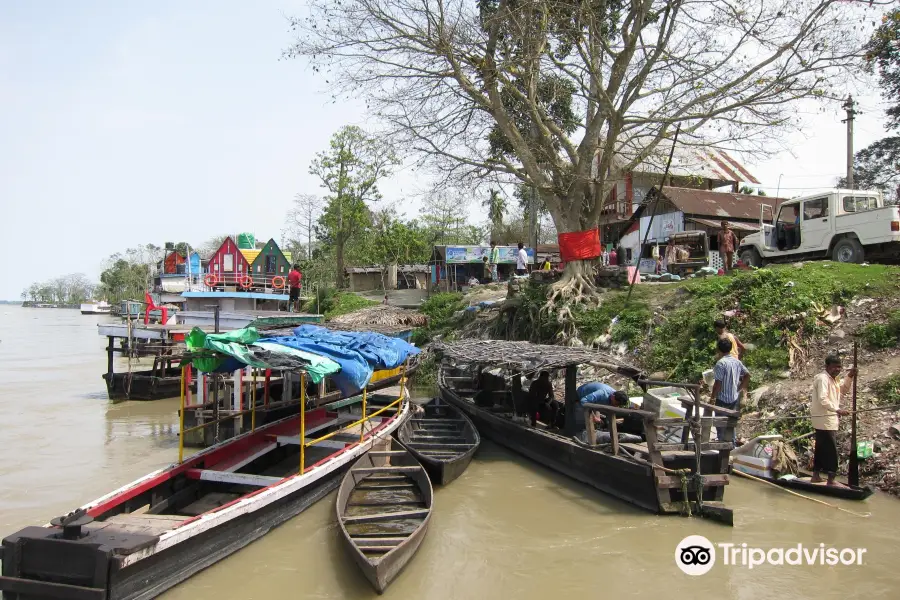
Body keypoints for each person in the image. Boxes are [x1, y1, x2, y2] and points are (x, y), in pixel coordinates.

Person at [810, 355, 856, 486]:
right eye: (834, 366)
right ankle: (831, 479)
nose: (837, 369)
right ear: (827, 366)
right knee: (831, 450)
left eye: (839, 367)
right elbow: (823, 399)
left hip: (828, 419)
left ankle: (816, 475)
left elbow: (843, 390)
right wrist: (837, 409)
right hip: (825, 419)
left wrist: (850, 376)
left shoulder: (833, 380)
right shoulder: (822, 378)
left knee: (820, 448)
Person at [711, 337, 750, 445]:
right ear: (731, 348)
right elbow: (747, 375)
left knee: (720, 423)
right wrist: (741, 387)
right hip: (734, 398)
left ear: (719, 350)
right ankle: (731, 446)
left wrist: (712, 398)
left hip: (722, 399)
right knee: (730, 423)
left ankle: (722, 446)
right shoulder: (736, 361)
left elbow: (717, 384)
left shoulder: (721, 363)